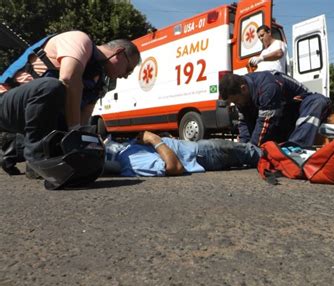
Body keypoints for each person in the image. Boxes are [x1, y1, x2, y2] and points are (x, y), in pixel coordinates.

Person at [0, 30, 140, 176]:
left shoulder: (97, 81)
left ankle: (14, 150)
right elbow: (68, 78)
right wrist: (74, 130)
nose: (125, 76)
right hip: (6, 103)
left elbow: (82, 122)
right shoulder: (79, 40)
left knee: (70, 134)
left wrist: (85, 148)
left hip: (32, 116)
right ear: (119, 53)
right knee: (51, 86)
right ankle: (37, 160)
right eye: (128, 69)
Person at [219, 71, 331, 147]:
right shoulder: (243, 92)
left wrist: (251, 148)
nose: (237, 104)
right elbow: (244, 123)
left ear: (243, 89)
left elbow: (265, 122)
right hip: (281, 118)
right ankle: (283, 148)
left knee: (318, 101)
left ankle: (295, 149)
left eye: (236, 100)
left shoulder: (267, 86)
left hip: (297, 110)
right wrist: (242, 147)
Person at [105, 131, 261, 177]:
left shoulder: (124, 151)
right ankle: (281, 155)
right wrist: (154, 139)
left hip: (198, 150)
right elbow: (173, 167)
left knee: (248, 151)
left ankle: (277, 154)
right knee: (251, 153)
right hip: (202, 154)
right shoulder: (127, 161)